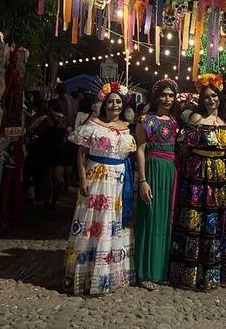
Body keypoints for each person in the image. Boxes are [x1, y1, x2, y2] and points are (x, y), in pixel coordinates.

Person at [64, 83, 136, 295]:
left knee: (113, 224)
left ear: (123, 105)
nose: (114, 105)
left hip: (119, 181)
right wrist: (83, 179)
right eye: (110, 101)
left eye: (118, 102)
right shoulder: (93, 125)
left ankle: (109, 276)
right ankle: (87, 273)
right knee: (93, 223)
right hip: (96, 177)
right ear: (103, 104)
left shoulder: (127, 127)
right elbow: (81, 153)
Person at [169, 74, 226, 290]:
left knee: (215, 224)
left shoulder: (224, 122)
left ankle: (213, 274)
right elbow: (184, 148)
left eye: (214, 96)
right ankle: (191, 274)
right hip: (198, 178)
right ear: (201, 99)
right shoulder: (196, 119)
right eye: (206, 97)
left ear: (219, 97)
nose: (210, 100)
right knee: (195, 223)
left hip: (218, 180)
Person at [134, 78, 180, 290]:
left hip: (169, 172)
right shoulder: (146, 120)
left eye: (171, 95)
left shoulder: (174, 122)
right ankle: (144, 273)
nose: (167, 99)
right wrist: (142, 180)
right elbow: (140, 150)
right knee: (149, 219)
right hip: (152, 171)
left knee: (164, 221)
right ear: (157, 96)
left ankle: (160, 271)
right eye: (164, 95)